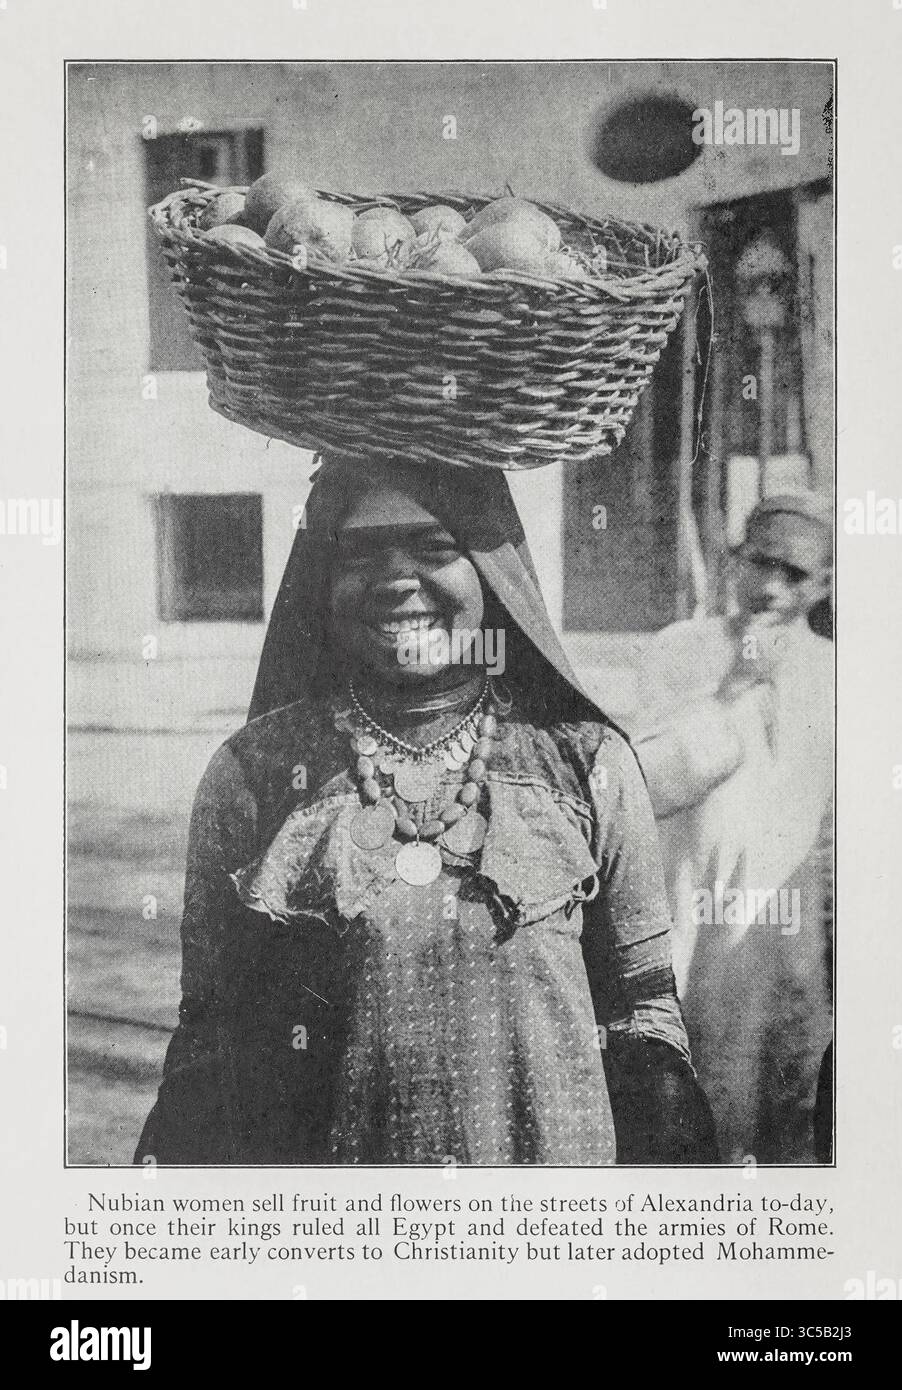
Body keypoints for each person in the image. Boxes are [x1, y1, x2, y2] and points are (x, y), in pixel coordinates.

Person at [135, 454, 716, 1166]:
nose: (396, 579)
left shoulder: (585, 764)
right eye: (360, 553)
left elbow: (644, 1013)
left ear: (493, 572)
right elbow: (211, 1032)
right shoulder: (252, 776)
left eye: (435, 547)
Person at [633, 491, 833, 1164]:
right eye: (760, 561)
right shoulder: (677, 650)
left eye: (796, 573)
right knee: (683, 1111)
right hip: (688, 915)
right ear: (732, 558)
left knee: (783, 1112)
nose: (772, 585)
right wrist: (734, 685)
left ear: (825, 583)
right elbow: (644, 787)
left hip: (781, 937)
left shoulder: (840, 672)